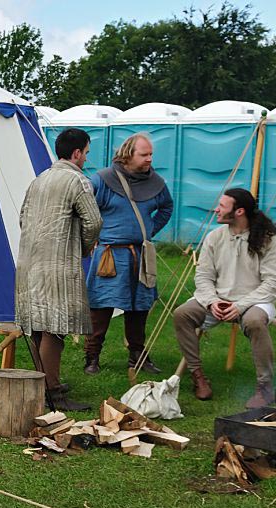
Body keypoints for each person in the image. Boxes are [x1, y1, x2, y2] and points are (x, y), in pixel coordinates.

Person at [173, 187, 276, 409]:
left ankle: (264, 388)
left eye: (222, 206)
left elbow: (272, 283)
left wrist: (240, 305)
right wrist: (212, 301)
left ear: (240, 211)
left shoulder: (267, 240)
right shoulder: (214, 237)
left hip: (254, 301)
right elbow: (203, 276)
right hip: (218, 300)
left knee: (254, 321)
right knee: (182, 314)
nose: (216, 209)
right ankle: (198, 377)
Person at [16, 128, 102, 412]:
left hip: (29, 263)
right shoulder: (78, 180)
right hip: (58, 265)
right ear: (76, 153)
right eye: (86, 153)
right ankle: (51, 392)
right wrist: (85, 248)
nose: (86, 158)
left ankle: (42, 386)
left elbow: (22, 219)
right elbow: (93, 222)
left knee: (39, 327)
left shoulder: (38, 180)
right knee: (54, 328)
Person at [83, 133, 173, 376]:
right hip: (110, 254)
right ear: (127, 155)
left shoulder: (156, 183)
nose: (149, 159)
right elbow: (86, 209)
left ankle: (137, 356)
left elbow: (167, 207)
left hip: (140, 254)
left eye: (151, 154)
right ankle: (92, 357)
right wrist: (93, 235)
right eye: (144, 155)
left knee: (139, 308)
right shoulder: (102, 180)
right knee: (100, 308)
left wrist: (150, 228)